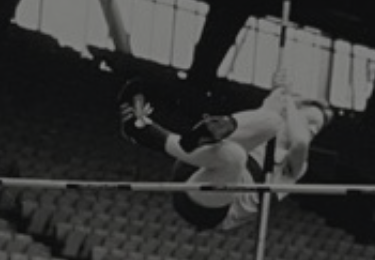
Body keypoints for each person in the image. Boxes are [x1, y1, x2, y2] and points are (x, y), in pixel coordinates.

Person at [119, 79, 333, 231]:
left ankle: (149, 133)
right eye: (310, 122)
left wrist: (289, 103)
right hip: (196, 166)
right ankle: (210, 131)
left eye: (318, 128)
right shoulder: (275, 124)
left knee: (236, 156)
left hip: (209, 206)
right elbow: (269, 109)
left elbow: (301, 141)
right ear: (294, 118)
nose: (313, 129)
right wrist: (282, 92)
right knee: (270, 120)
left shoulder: (296, 164)